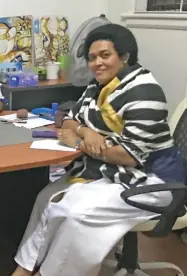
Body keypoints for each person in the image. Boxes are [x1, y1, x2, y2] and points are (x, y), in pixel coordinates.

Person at [12, 24, 185, 276]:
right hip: (112, 170)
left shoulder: (144, 91)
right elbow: (69, 118)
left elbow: (129, 156)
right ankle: (23, 270)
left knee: (76, 212)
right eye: (92, 58)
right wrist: (87, 132)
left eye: (106, 55)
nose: (97, 63)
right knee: (48, 197)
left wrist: (79, 143)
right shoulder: (98, 87)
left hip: (154, 180)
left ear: (125, 57)